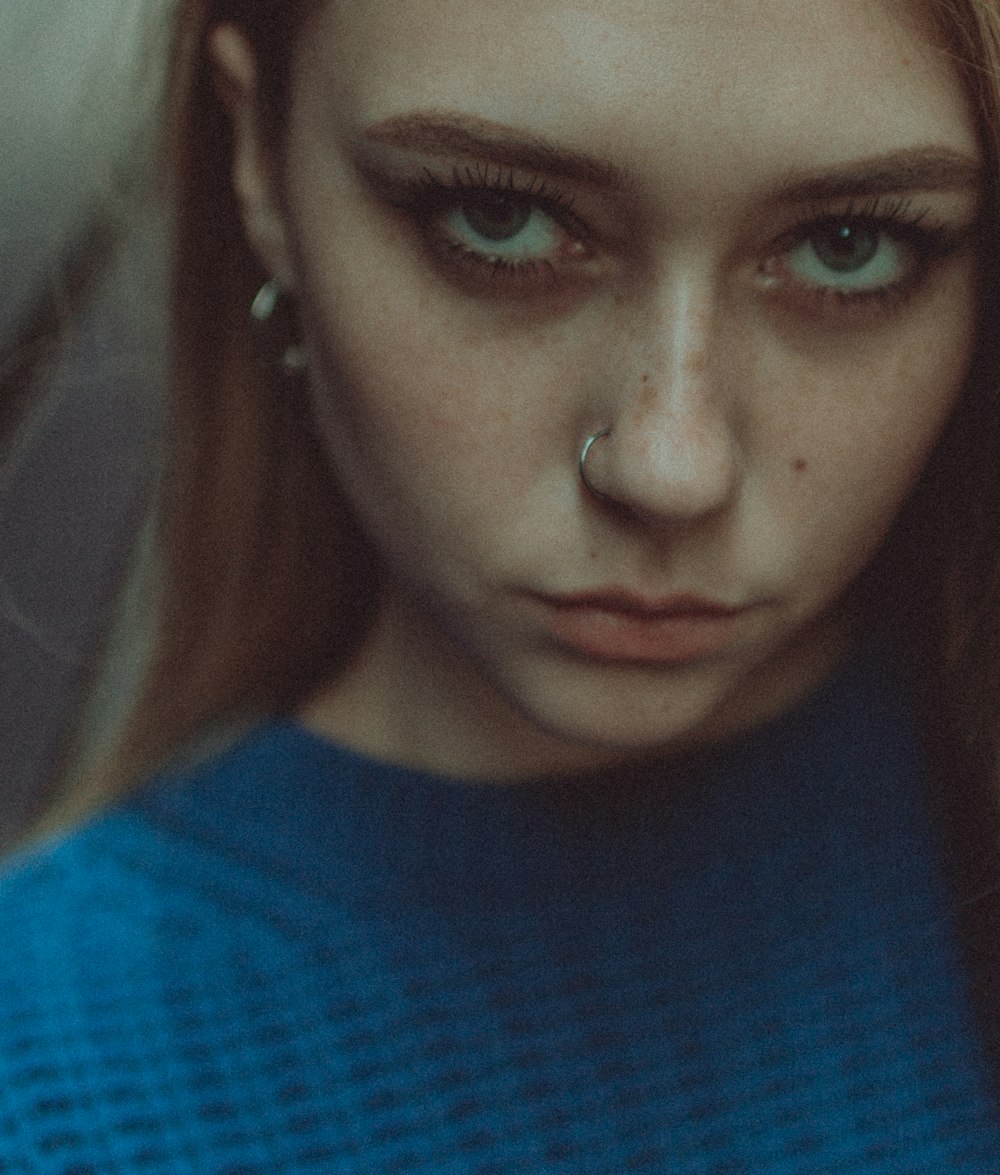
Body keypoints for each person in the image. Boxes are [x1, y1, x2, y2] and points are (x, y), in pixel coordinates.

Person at [2, 0, 1000, 1168]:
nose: (668, 464)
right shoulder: (47, 1087)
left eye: (850, 242)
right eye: (502, 219)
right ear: (258, 162)